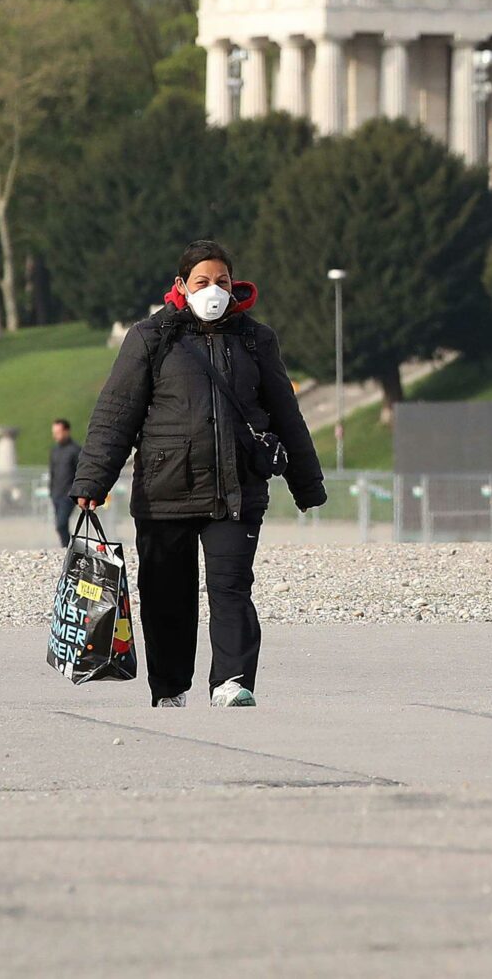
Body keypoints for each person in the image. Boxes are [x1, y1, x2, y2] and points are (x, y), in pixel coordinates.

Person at [70, 240, 327, 708]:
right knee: (167, 593)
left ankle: (231, 680)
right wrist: (92, 480)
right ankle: (170, 687)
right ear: (181, 287)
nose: (214, 290)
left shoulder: (255, 338)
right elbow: (115, 414)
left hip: (237, 490)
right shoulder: (151, 337)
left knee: (231, 587)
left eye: (222, 281)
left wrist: (307, 484)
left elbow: (286, 414)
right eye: (203, 282)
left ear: (235, 285)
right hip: (164, 491)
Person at [48, 418, 80, 547]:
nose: (55, 435)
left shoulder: (75, 450)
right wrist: (51, 490)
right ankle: (66, 548)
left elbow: (79, 471)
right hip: (56, 493)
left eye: (58, 432)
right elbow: (52, 472)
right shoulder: (54, 451)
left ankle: (69, 547)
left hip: (68, 494)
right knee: (60, 525)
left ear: (66, 431)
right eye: (54, 432)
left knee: (61, 524)